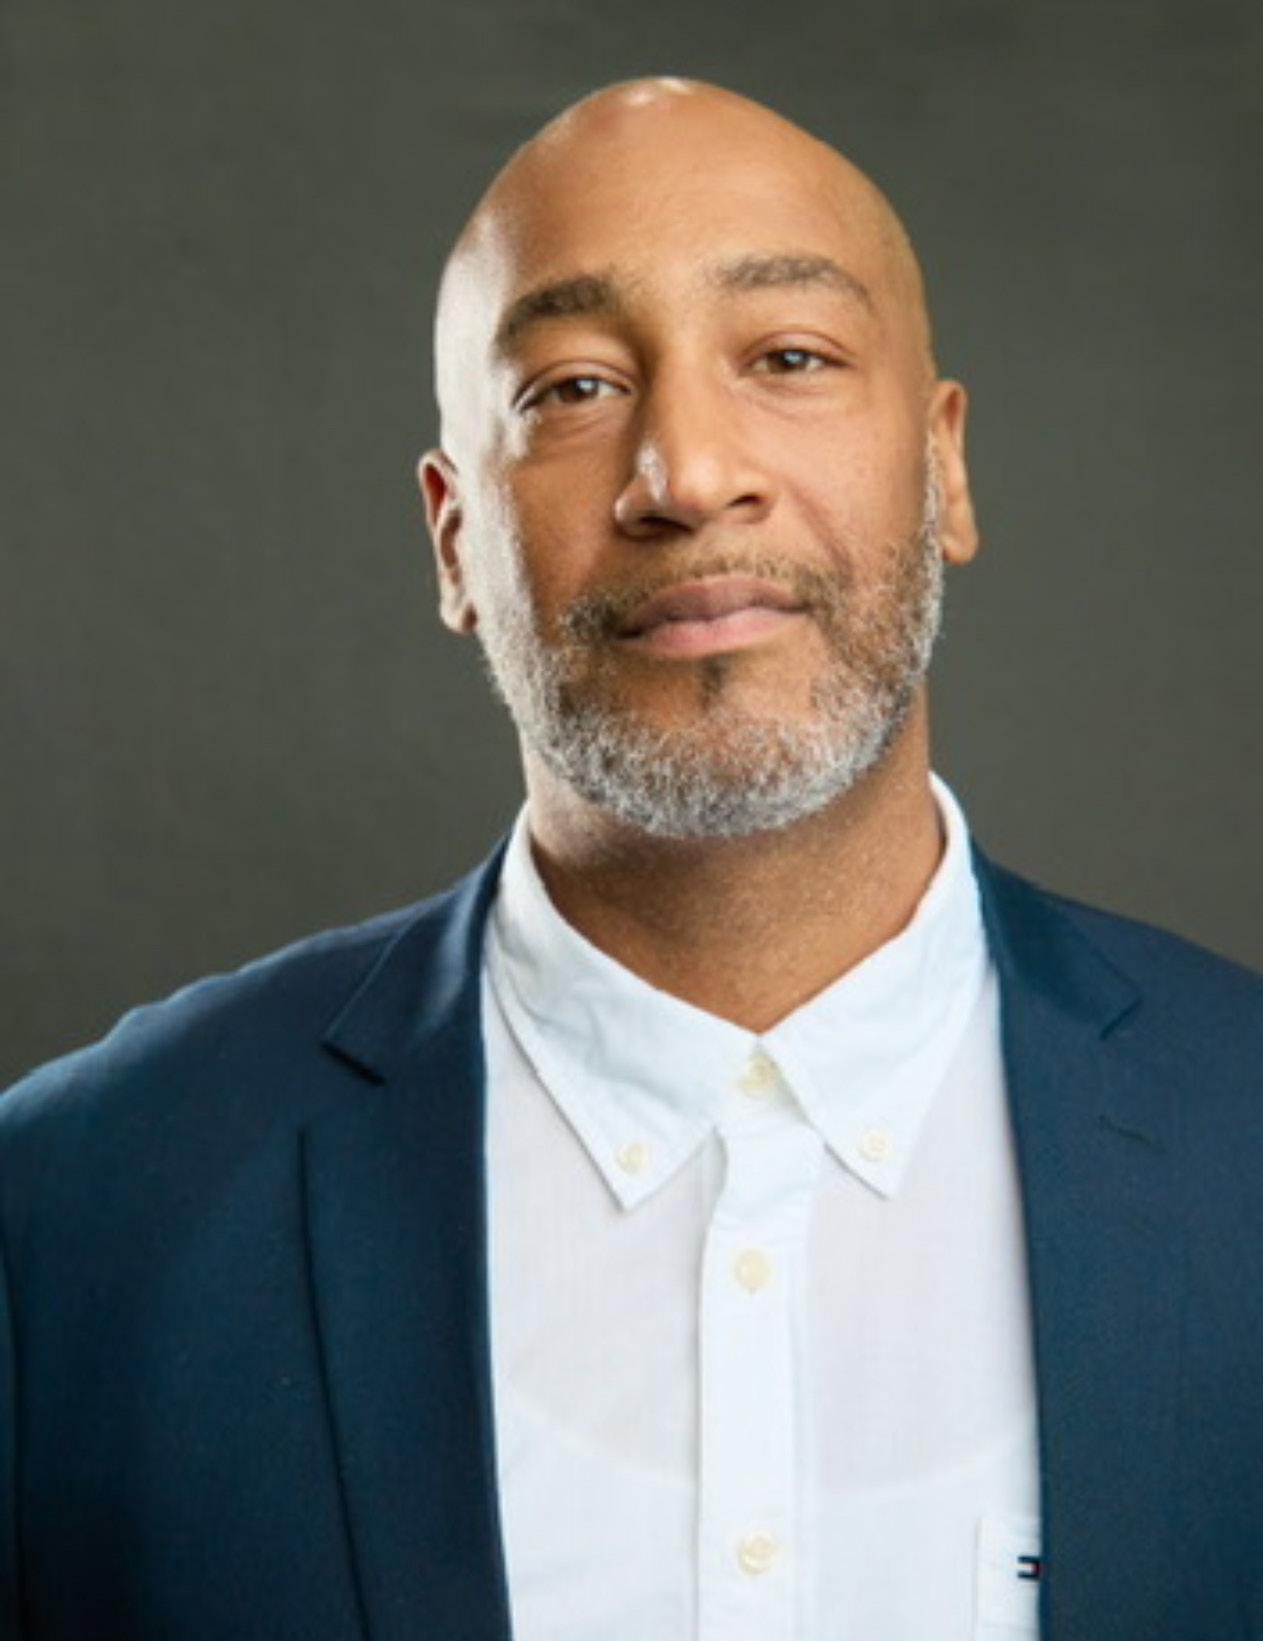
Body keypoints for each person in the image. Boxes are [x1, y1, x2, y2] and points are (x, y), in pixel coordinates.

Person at [0, 76, 1259, 1641]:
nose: (687, 473)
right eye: (574, 388)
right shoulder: (67, 1216)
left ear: (944, 467)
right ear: (454, 541)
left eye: (789, 357)